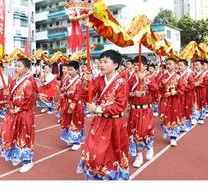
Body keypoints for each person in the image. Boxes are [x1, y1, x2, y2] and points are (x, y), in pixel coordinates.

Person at [78, 50, 130, 180]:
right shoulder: (98, 80)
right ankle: (97, 175)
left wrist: (98, 108)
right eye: (100, 61)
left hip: (114, 123)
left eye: (106, 62)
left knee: (113, 152)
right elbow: (86, 96)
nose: (101, 64)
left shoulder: (122, 82)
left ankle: (112, 176)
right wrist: (87, 83)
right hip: (99, 122)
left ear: (116, 65)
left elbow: (119, 106)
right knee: (93, 150)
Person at [0, 58, 38, 173]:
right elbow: (11, 97)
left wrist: (18, 109)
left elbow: (29, 99)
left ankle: (27, 161)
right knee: (12, 133)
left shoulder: (28, 82)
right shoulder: (14, 81)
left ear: (26, 69)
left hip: (24, 113)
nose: (16, 68)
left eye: (19, 66)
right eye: (15, 66)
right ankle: (16, 155)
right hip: (13, 112)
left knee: (24, 135)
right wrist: (7, 95)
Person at [128, 56, 159, 168]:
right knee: (134, 133)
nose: (136, 67)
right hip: (134, 110)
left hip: (146, 110)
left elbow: (155, 88)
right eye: (135, 65)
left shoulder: (150, 77)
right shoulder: (131, 79)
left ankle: (150, 146)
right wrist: (132, 94)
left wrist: (144, 79)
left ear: (145, 66)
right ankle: (139, 156)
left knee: (145, 130)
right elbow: (126, 93)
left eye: (138, 65)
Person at [58, 61, 86, 151]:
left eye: (71, 70)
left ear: (77, 70)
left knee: (76, 122)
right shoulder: (67, 79)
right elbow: (65, 89)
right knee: (68, 121)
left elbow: (78, 93)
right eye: (68, 69)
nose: (69, 72)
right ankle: (71, 138)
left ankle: (77, 141)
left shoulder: (79, 81)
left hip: (76, 105)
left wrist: (73, 104)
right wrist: (63, 93)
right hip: (67, 102)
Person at [158, 57, 184, 146]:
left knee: (174, 116)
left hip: (174, 100)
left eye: (170, 64)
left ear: (175, 65)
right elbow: (159, 88)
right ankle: (166, 130)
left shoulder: (178, 77)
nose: (168, 65)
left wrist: (174, 92)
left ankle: (173, 137)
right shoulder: (162, 76)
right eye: (167, 64)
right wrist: (162, 88)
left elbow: (182, 89)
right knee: (163, 116)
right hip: (164, 100)